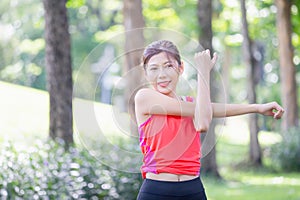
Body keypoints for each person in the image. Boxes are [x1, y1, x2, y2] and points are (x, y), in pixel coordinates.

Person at [134, 40, 284, 200]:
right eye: (154, 68)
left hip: (192, 189)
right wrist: (203, 73)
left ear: (181, 68)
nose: (161, 74)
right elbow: (203, 122)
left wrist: (257, 107)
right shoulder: (144, 97)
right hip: (156, 191)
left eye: (168, 66)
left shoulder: (192, 105)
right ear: (146, 73)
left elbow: (210, 108)